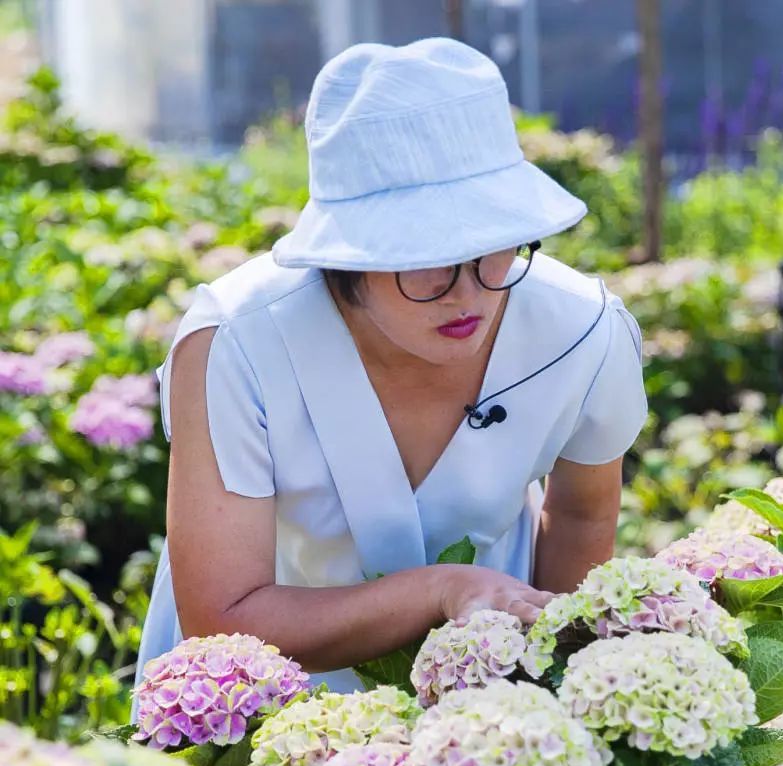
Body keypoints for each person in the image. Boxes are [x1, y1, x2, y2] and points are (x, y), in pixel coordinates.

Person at [134, 37, 648, 694]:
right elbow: (221, 616)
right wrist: (442, 590)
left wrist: (542, 688)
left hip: (489, 697)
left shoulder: (584, 330)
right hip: (266, 704)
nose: (467, 292)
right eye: (425, 257)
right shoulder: (237, 343)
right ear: (346, 255)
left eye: (494, 248)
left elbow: (580, 516)